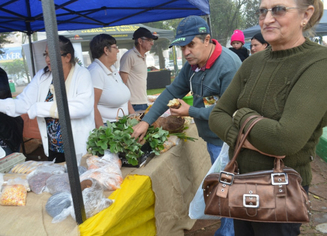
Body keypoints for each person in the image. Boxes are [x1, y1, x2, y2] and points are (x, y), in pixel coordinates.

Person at [209, 0, 326, 235]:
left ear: (307, 14)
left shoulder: (319, 63)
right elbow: (216, 116)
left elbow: (283, 140)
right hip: (239, 183)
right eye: (263, 11)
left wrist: (241, 115)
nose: (267, 18)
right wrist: (246, 137)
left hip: (281, 190)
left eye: (279, 9)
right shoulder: (252, 63)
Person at [131, 15, 241, 236]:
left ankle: (228, 232)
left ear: (207, 39)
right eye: (182, 47)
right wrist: (145, 121)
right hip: (212, 138)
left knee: (228, 189)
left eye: (191, 44)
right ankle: (227, 229)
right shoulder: (193, 65)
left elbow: (228, 111)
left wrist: (190, 111)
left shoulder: (229, 65)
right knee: (223, 188)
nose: (186, 52)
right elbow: (173, 91)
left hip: (228, 140)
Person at [0, 36, 95, 164]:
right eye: (45, 54)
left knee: (81, 181)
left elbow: (82, 107)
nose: (47, 59)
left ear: (68, 57)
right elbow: (23, 102)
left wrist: (38, 108)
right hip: (53, 148)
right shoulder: (42, 76)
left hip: (79, 148)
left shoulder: (82, 74)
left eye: (51, 55)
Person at [87, 34, 134, 128]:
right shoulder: (95, 72)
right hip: (109, 126)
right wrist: (103, 132)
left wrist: (134, 117)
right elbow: (92, 105)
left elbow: (125, 98)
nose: (118, 50)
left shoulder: (112, 68)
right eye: (115, 47)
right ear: (106, 50)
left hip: (123, 124)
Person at [119, 27, 158, 112]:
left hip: (143, 102)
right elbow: (122, 83)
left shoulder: (143, 56)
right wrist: (129, 107)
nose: (152, 43)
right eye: (149, 40)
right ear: (140, 41)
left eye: (152, 41)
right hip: (133, 104)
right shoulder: (129, 56)